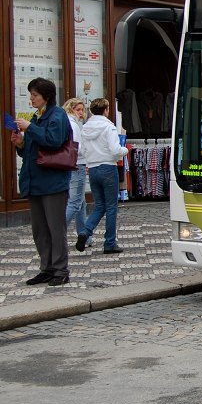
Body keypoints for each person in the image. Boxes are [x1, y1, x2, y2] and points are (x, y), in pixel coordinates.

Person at [11, 78, 72, 286]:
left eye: (35, 95)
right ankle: (46, 268)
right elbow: (32, 150)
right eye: (30, 95)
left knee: (56, 229)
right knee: (39, 231)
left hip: (53, 183)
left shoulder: (58, 115)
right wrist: (20, 144)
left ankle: (61, 270)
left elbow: (53, 140)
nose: (31, 99)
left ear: (46, 96)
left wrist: (30, 129)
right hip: (35, 182)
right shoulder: (38, 117)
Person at [76, 98, 128, 254]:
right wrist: (124, 150)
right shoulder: (108, 127)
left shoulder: (85, 128)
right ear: (106, 110)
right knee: (112, 207)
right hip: (108, 167)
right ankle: (110, 243)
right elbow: (115, 150)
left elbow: (83, 151)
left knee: (99, 206)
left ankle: (85, 232)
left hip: (92, 169)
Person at [62, 97, 91, 247]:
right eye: (78, 109)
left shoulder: (67, 122)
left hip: (70, 165)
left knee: (81, 202)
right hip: (77, 164)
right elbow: (77, 148)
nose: (81, 113)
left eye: (82, 110)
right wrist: (88, 153)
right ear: (70, 109)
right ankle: (57, 232)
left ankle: (84, 235)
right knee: (75, 202)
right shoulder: (73, 125)